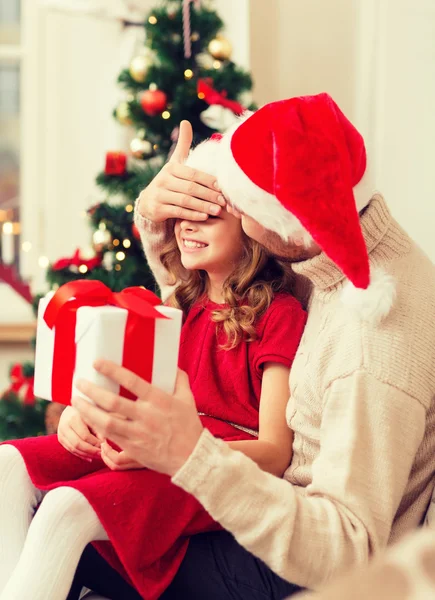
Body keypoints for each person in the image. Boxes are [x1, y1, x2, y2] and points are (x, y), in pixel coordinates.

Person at [70, 93, 435, 600]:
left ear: (276, 226)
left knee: (75, 544)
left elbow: (347, 553)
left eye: (237, 203)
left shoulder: (373, 342)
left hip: (304, 563)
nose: (227, 207)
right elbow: (211, 300)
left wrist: (189, 455)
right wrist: (154, 219)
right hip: (274, 511)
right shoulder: (324, 257)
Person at [0, 189, 306, 599]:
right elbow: (128, 393)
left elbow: (274, 454)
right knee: (7, 464)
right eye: (181, 216)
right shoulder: (175, 307)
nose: (187, 226)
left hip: (214, 463)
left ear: (252, 225)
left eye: (209, 216)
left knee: (67, 508)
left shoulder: (279, 313)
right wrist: (79, 413)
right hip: (154, 444)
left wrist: (174, 451)